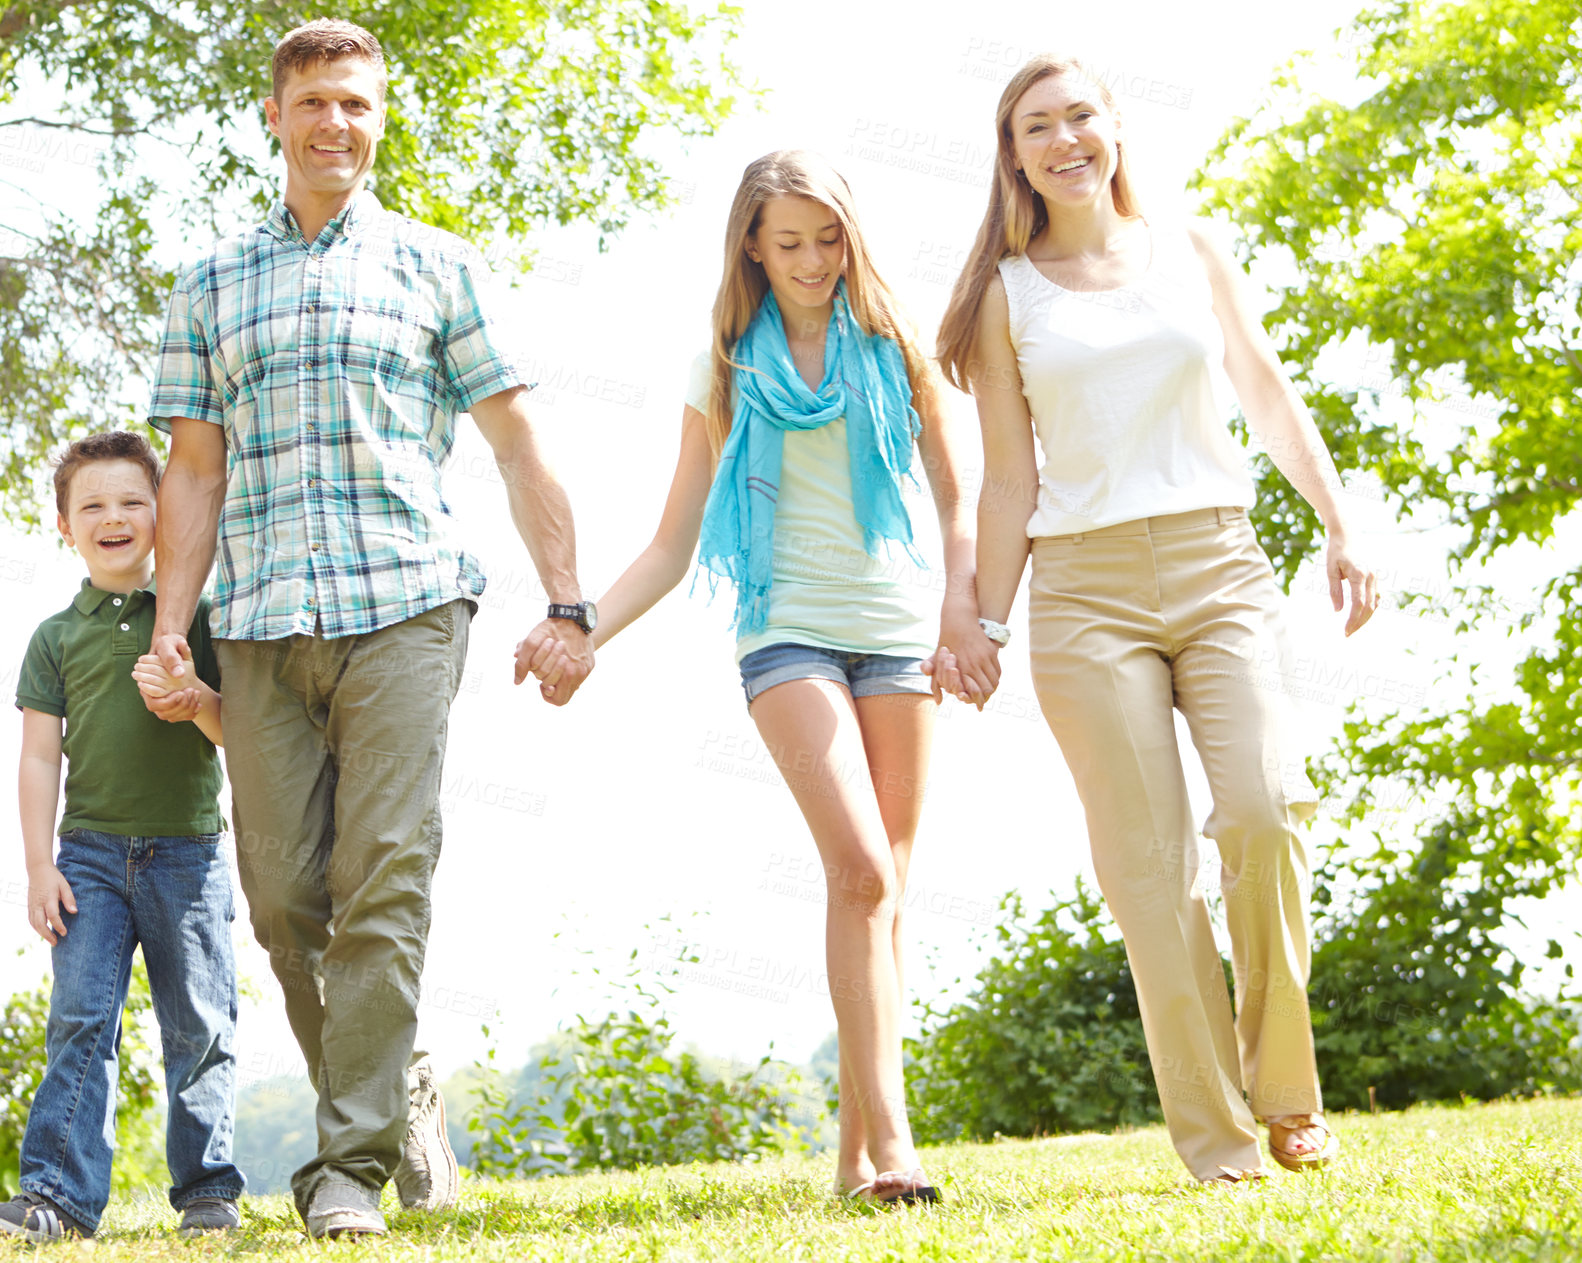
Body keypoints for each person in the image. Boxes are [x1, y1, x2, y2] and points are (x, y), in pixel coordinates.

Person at [142, 19, 594, 1238]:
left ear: (377, 117)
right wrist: (171, 627)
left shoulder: (436, 266)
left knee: (381, 875)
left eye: (359, 104)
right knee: (287, 899)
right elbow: (191, 472)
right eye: (317, 103)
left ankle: (347, 1172)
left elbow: (515, 443)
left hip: (405, 603)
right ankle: (398, 1091)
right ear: (275, 118)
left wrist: (568, 603)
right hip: (257, 621)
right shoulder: (209, 283)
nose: (338, 123)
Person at [932, 55, 1379, 1182]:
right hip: (1083, 591)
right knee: (1150, 870)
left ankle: (1287, 1093)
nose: (1063, 138)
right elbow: (1006, 481)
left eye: (1080, 113)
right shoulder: (1004, 294)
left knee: (1266, 812)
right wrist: (981, 624)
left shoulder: (1189, 252)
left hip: (1217, 561)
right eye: (1037, 126)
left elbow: (1266, 390)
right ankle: (1219, 1142)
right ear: (1014, 155)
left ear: (1115, 126)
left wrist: (1340, 522)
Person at [560, 149, 995, 1203]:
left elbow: (956, 498)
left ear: (852, 239)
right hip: (784, 635)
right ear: (752, 245)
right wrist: (581, 627)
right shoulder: (725, 367)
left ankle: (852, 1160)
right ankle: (895, 1149)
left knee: (885, 893)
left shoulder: (898, 349)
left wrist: (960, 608)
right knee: (859, 869)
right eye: (788, 242)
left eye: (827, 239)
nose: (810, 261)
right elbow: (672, 544)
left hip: (899, 636)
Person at [4, 431, 245, 1243]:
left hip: (190, 853)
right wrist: (39, 866)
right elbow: (39, 757)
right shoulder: (53, 637)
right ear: (65, 525)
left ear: (164, 515)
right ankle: (58, 1196)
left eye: (134, 502)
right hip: (90, 859)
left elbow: (231, 734)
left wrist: (194, 693)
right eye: (93, 505)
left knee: (199, 1022)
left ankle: (207, 1191)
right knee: (79, 1019)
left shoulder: (195, 618)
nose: (114, 517)